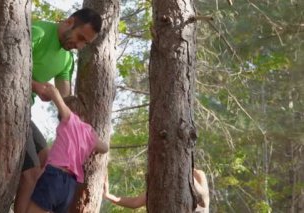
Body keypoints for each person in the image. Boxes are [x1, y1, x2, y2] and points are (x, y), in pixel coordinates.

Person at [14, 8, 103, 213]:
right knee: (32, 173)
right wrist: (37, 86)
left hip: (25, 113)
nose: (79, 46)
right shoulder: (38, 32)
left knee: (46, 160)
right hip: (10, 108)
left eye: (85, 43)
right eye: (80, 37)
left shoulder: (67, 60)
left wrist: (79, 131)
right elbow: (9, 67)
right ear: (70, 22)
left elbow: (65, 102)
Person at [26, 84, 109, 213]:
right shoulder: (89, 134)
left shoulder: (69, 118)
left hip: (54, 176)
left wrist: (45, 90)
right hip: (70, 186)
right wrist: (94, 137)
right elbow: (105, 148)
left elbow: (55, 93)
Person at [103, 169, 210, 212]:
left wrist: (186, 173)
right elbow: (135, 203)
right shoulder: (163, 181)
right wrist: (108, 195)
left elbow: (204, 202)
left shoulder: (198, 174)